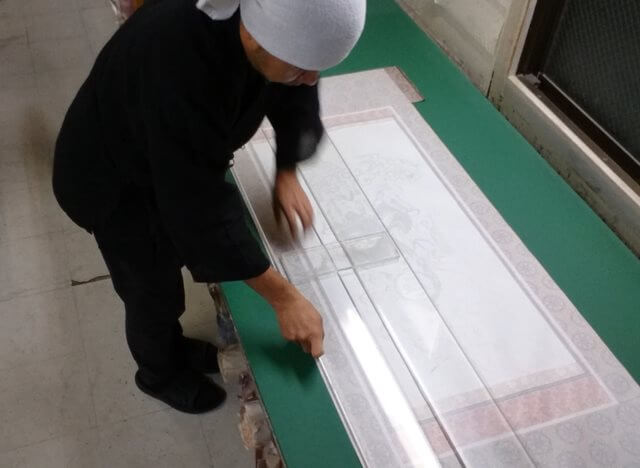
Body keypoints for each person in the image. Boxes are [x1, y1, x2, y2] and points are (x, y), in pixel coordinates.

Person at [52, 0, 366, 414]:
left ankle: (171, 345)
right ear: (259, 38)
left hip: (165, 156)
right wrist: (284, 298)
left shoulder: (271, 27)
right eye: (301, 68)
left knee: (169, 254)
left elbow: (295, 94)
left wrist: (287, 169)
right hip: (111, 177)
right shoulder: (178, 59)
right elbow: (196, 200)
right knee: (150, 287)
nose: (311, 79)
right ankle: (158, 373)